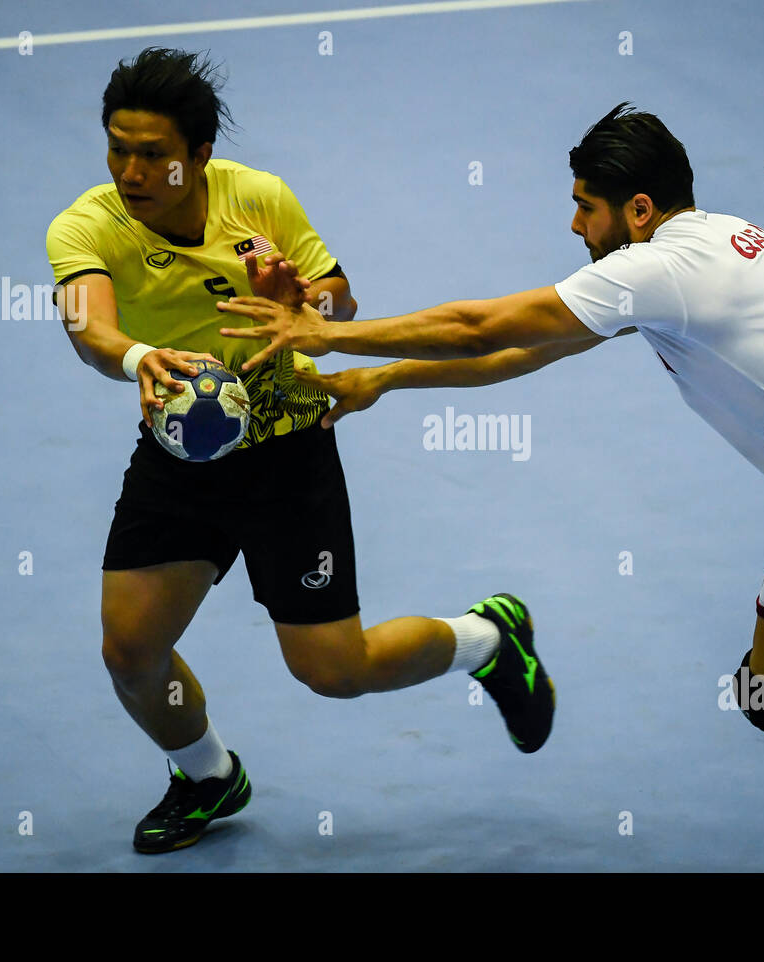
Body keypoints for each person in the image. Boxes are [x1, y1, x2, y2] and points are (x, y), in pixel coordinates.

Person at [215, 102, 764, 872]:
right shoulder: (705, 243)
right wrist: (388, 380)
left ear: (638, 208)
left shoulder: (664, 266)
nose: (576, 227)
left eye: (586, 209)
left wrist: (332, 336)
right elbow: (527, 346)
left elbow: (478, 320)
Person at [45, 47, 559, 855]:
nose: (131, 170)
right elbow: (88, 326)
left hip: (289, 448)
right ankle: (209, 775)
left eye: (153, 154)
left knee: (333, 670)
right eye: (118, 147)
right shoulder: (85, 224)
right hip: (183, 451)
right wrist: (137, 357)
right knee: (131, 650)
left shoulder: (260, 198)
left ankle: (490, 641)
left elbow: (339, 296)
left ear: (199, 156)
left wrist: (304, 301)